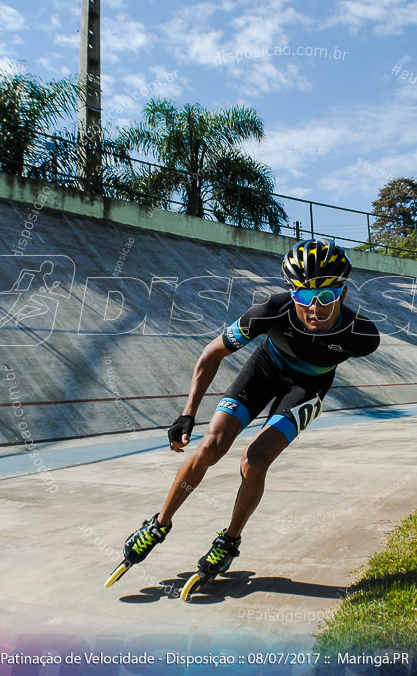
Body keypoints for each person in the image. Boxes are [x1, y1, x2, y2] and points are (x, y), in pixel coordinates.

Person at [119, 239, 380, 579]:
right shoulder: (272, 310)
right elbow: (212, 354)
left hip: (307, 388)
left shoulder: (363, 336)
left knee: (254, 461)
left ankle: (229, 541)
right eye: (304, 297)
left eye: (326, 297)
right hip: (263, 372)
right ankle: (158, 524)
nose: (315, 308)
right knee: (210, 446)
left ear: (342, 295)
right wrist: (188, 413)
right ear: (292, 294)